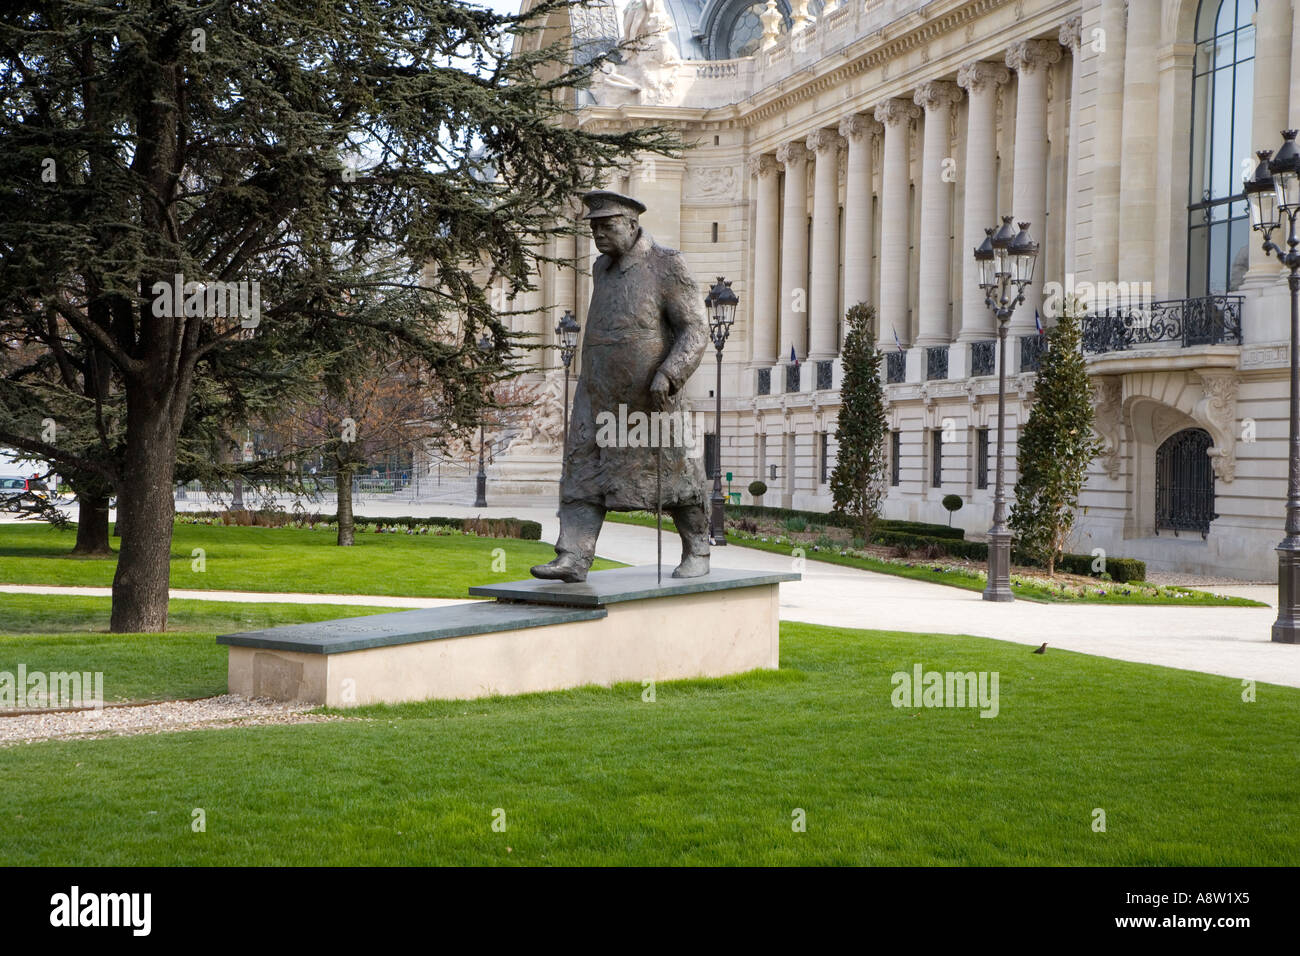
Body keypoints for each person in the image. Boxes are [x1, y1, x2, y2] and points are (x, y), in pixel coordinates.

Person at [530, 190, 710, 583]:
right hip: (596, 394)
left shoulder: (667, 264)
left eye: (607, 226)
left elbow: (695, 328)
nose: (598, 235)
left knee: (676, 474)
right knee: (581, 470)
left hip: (651, 396)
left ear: (631, 225)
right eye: (594, 227)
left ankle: (698, 548)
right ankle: (573, 555)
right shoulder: (601, 270)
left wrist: (671, 373)